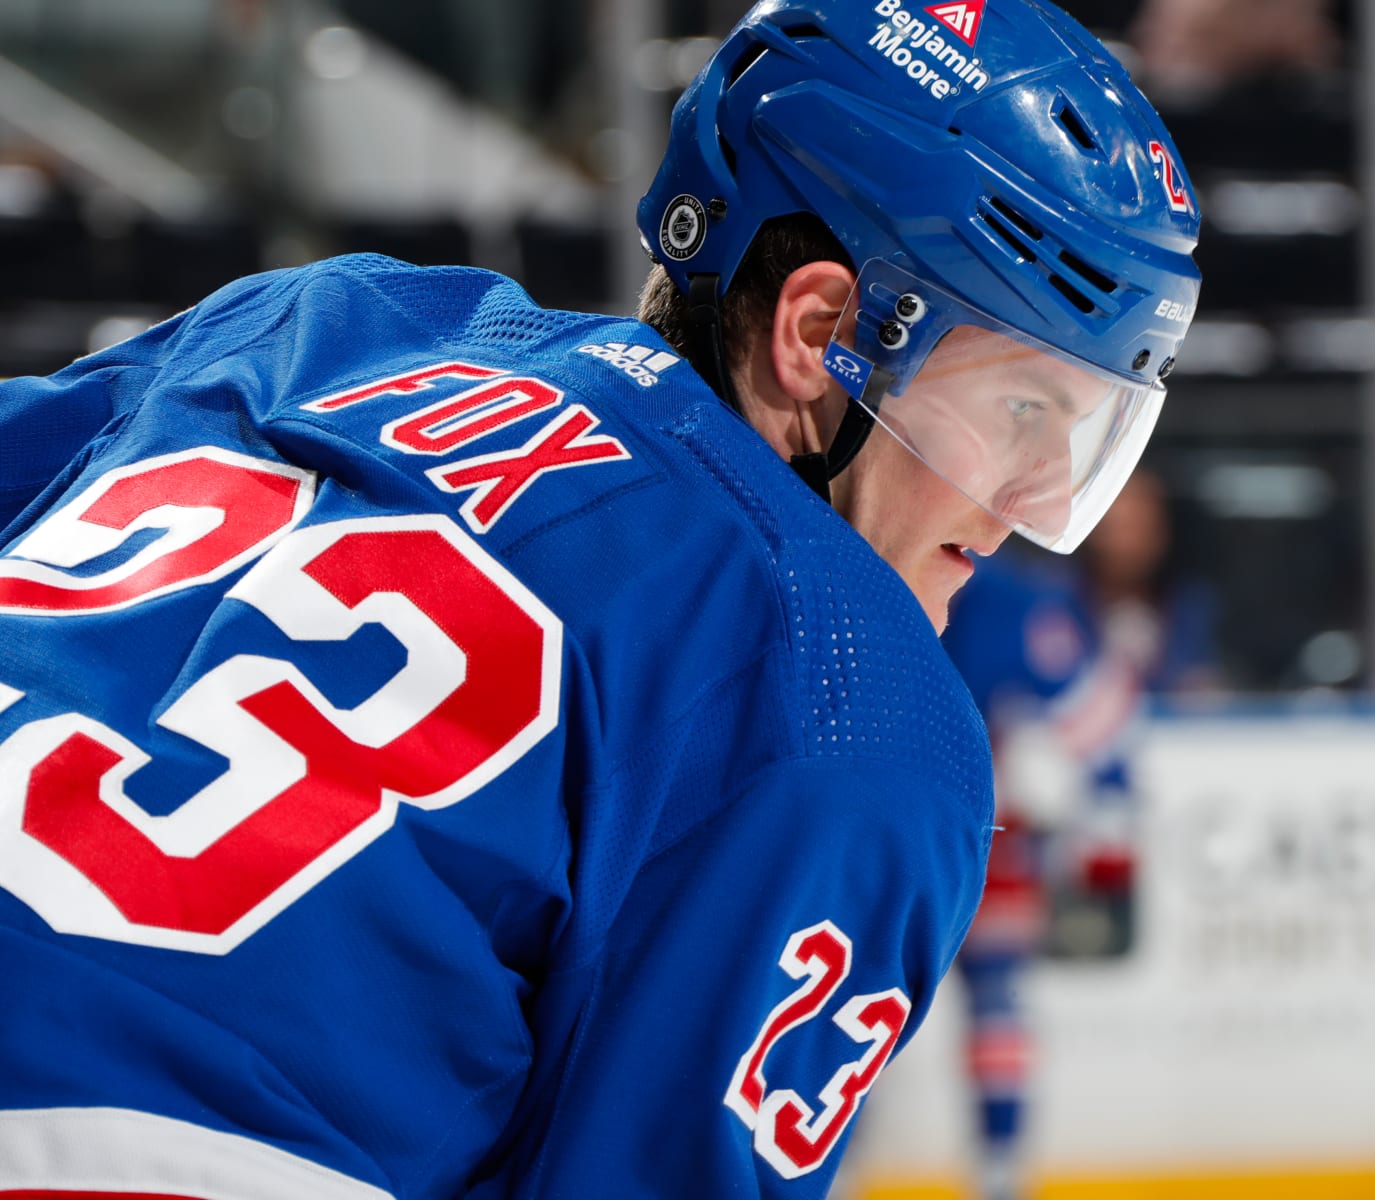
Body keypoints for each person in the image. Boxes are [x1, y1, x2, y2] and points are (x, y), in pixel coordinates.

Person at [0, 0, 1203, 1196]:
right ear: (822, 329)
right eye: (1022, 410)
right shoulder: (850, 687)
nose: (1033, 494)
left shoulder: (326, 318)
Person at [937, 470, 1215, 1200]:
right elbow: (1107, 735)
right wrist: (1103, 797)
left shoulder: (1017, 597)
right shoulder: (1024, 597)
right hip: (948, 822)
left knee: (982, 996)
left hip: (966, 825)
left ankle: (997, 1173)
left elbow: (1105, 732)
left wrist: (1100, 808)